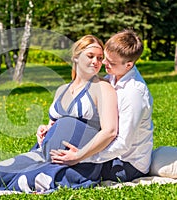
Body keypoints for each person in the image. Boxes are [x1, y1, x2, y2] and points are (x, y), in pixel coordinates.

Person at [0, 35, 118, 193]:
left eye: (100, 58)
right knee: (1, 170)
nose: (96, 62)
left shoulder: (102, 88)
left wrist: (78, 156)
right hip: (43, 152)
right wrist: (45, 130)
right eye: (90, 56)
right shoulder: (62, 89)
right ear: (76, 58)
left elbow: (109, 131)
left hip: (77, 162)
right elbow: (54, 123)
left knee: (28, 178)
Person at [50, 29, 153, 182]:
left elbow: (122, 144)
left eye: (110, 62)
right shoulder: (113, 76)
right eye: (105, 57)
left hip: (125, 164)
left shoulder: (134, 93)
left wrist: (80, 157)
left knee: (65, 168)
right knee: (57, 160)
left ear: (129, 65)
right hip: (108, 153)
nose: (103, 63)